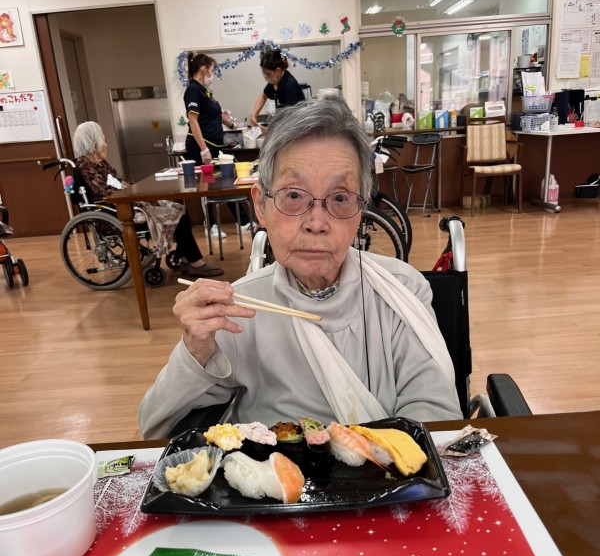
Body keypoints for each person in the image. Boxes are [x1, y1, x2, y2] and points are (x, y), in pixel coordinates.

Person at [138, 97, 462, 439]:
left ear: (361, 212)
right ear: (261, 207)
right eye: (294, 195)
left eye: (340, 198)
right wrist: (195, 351)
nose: (316, 223)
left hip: (389, 471)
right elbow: (155, 429)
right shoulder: (237, 310)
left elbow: (436, 419)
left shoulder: (402, 291)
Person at [73, 121, 223, 277]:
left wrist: (135, 189)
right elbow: (105, 192)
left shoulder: (99, 163)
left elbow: (120, 182)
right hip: (120, 211)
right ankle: (195, 262)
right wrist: (132, 193)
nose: (106, 144)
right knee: (177, 216)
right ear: (95, 144)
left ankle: (188, 258)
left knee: (179, 210)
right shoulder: (86, 166)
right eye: (103, 140)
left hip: (130, 203)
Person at [184, 52, 250, 238]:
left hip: (215, 145)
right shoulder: (193, 90)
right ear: (204, 69)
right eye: (212, 70)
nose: (213, 74)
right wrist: (203, 149)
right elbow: (193, 120)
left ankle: (243, 221)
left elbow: (217, 114)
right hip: (201, 146)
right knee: (207, 187)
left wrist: (235, 126)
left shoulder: (205, 91)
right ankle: (210, 225)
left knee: (225, 183)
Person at [250, 48, 305, 127]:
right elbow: (263, 96)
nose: (266, 77)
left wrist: (268, 131)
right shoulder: (277, 81)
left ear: (278, 71)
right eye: (264, 74)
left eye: (268, 74)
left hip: (295, 127)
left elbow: (291, 120)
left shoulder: (290, 86)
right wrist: (254, 116)